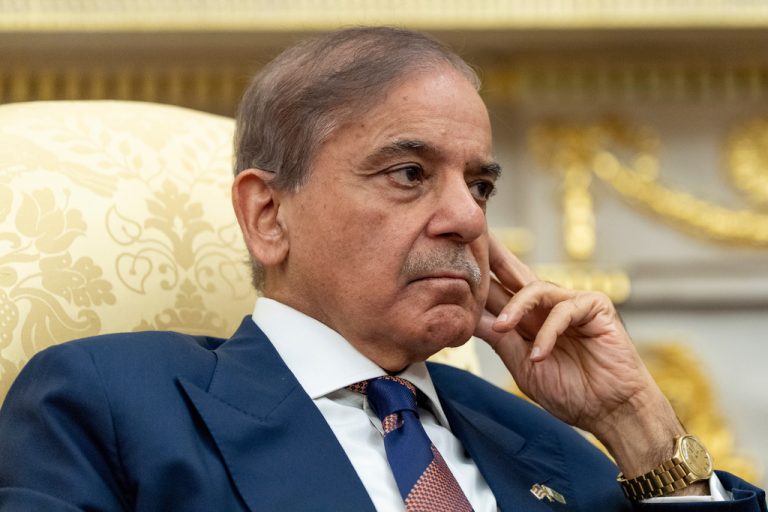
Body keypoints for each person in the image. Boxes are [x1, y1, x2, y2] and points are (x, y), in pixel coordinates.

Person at [0, 26, 764, 512]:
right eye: (408, 173)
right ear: (269, 215)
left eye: (481, 185)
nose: (468, 218)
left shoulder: (549, 446)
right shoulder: (111, 404)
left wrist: (635, 425)